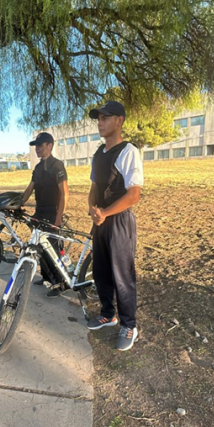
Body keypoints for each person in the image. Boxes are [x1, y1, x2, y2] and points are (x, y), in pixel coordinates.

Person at [86, 100, 143, 351]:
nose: (100, 122)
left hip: (119, 221)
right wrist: (92, 209)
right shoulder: (99, 153)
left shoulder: (128, 151)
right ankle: (108, 314)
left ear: (119, 120)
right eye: (98, 118)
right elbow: (94, 187)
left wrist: (106, 212)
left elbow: (134, 194)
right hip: (100, 220)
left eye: (105, 118)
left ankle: (129, 325)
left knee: (122, 276)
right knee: (101, 272)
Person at [21, 132, 69, 227]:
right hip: (39, 212)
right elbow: (30, 188)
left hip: (53, 214)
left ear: (49, 145)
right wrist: (19, 203)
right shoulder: (38, 167)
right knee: (35, 241)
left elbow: (65, 194)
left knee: (50, 242)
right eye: (35, 146)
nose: (36, 148)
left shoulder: (57, 166)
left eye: (39, 145)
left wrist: (58, 218)